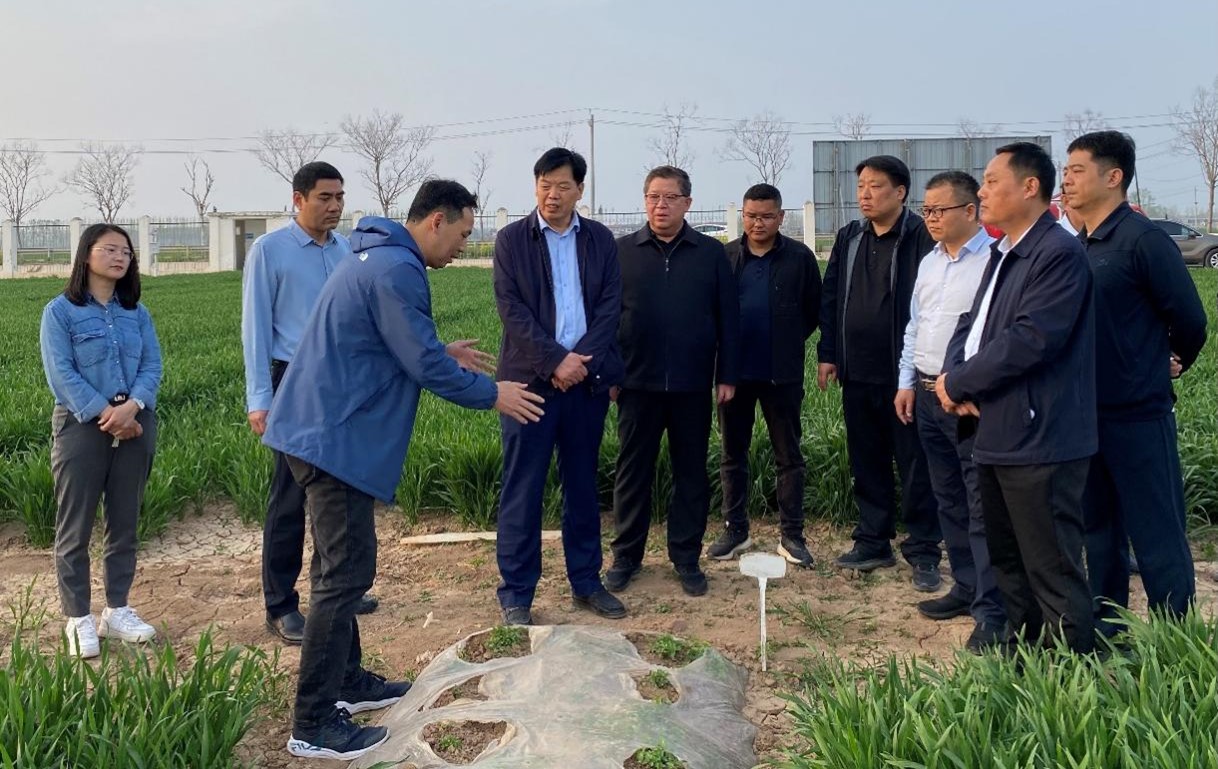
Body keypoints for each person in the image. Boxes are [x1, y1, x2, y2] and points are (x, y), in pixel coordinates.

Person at [264, 180, 544, 760]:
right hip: (333, 439)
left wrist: (442, 352)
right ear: (436, 220)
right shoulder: (396, 269)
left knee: (336, 569)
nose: (464, 246)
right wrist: (493, 393)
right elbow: (422, 365)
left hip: (321, 431)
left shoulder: (377, 257)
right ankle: (313, 723)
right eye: (463, 233)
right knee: (344, 576)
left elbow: (393, 344)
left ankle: (348, 681)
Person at [935, 142, 1097, 654]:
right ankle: (1024, 660)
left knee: (1050, 566)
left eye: (991, 181)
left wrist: (958, 384)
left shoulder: (1056, 254)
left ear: (1030, 187)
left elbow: (1030, 340)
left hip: (1039, 437)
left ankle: (1070, 672)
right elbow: (972, 324)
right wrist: (952, 375)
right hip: (996, 430)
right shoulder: (1005, 251)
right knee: (1008, 562)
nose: (981, 192)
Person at [1063, 130, 1207, 633]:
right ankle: (1107, 630)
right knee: (1099, 531)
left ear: (1113, 176)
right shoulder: (1078, 245)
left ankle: (1173, 636)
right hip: (1085, 414)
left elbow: (1190, 318)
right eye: (1065, 170)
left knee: (1156, 531)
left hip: (1138, 413)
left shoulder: (1142, 240)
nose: (1066, 179)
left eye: (1077, 170)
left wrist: (1171, 360)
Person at [242, 161, 377, 646]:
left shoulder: (347, 250)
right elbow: (256, 327)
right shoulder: (270, 250)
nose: (334, 206)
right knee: (289, 495)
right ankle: (280, 605)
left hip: (341, 381)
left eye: (339, 197)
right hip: (292, 381)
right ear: (298, 200)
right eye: (324, 197)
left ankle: (332, 589)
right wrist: (261, 399)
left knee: (335, 489)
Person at [493, 148, 626, 626]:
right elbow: (511, 309)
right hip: (528, 387)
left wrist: (579, 364)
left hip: (586, 384)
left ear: (579, 191)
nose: (552, 195)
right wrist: (554, 362)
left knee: (583, 486)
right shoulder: (512, 239)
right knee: (522, 488)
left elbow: (610, 306)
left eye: (562, 186)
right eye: (544, 185)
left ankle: (586, 582)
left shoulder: (599, 240)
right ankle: (516, 594)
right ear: (535, 186)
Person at [605, 165, 740, 597]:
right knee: (632, 473)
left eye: (670, 198)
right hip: (635, 383)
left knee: (691, 474)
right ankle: (626, 557)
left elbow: (728, 318)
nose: (660, 206)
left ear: (687, 203)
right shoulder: (622, 252)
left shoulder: (710, 253)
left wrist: (726, 374)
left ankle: (686, 557)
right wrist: (609, 372)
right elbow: (605, 319)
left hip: (691, 384)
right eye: (653, 197)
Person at [817, 155, 943, 591]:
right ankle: (873, 540)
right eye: (861, 186)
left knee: (915, 463)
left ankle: (924, 549)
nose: (865, 195)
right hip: (857, 371)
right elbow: (831, 295)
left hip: (904, 376)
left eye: (875, 186)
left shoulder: (921, 236)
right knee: (866, 459)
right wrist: (828, 353)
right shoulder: (850, 237)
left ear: (900, 192)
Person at [894, 172, 1007, 652]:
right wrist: (906, 382)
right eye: (927, 211)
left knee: (981, 503)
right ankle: (964, 584)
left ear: (970, 210)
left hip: (967, 400)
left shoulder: (994, 262)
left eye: (940, 210)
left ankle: (992, 606)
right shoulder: (929, 262)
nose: (931, 219)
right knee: (948, 498)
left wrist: (968, 386)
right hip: (925, 394)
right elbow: (915, 326)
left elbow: (996, 337)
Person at [40, 223, 162, 658]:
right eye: (110, 249)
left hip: (137, 425)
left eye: (126, 252)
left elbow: (152, 365)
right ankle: (78, 617)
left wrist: (134, 407)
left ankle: (117, 610)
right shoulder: (60, 312)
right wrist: (107, 413)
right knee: (74, 526)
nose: (119, 257)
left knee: (124, 523)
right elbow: (61, 373)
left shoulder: (136, 313)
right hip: (81, 427)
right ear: (86, 255)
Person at [709, 183, 820, 568]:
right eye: (752, 216)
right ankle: (735, 530)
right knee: (732, 454)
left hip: (781, 374)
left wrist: (784, 339)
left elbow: (812, 311)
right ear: (743, 215)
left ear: (781, 217)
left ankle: (792, 535)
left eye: (767, 216)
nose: (758, 223)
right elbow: (713, 312)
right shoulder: (725, 257)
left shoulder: (799, 258)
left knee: (788, 456)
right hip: (733, 374)